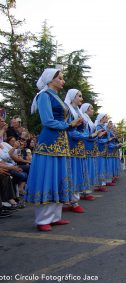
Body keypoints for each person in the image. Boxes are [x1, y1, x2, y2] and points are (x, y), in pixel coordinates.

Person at [25, 68, 83, 231]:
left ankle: (55, 216)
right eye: (60, 78)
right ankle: (43, 219)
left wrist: (72, 124)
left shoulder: (56, 97)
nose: (63, 81)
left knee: (58, 177)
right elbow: (47, 121)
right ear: (51, 80)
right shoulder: (44, 96)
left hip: (61, 143)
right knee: (48, 177)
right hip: (49, 143)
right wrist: (69, 124)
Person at [63, 89, 88, 213]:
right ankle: (71, 201)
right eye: (79, 96)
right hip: (70, 147)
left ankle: (73, 200)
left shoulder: (77, 112)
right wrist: (85, 136)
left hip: (77, 147)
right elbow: (69, 130)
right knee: (70, 174)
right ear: (72, 97)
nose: (81, 99)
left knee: (76, 173)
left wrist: (85, 135)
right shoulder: (68, 111)